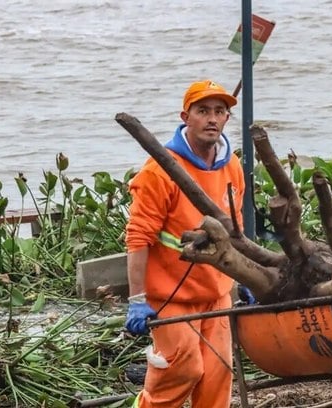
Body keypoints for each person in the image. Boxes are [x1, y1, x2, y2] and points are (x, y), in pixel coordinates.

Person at [124, 79, 244, 408]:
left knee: (218, 374)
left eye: (219, 111)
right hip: (170, 296)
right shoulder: (159, 172)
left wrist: (247, 276)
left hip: (215, 293)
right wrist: (137, 299)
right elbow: (138, 237)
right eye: (202, 111)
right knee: (182, 369)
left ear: (226, 120)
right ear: (185, 117)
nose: (212, 119)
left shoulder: (232, 165)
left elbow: (236, 228)